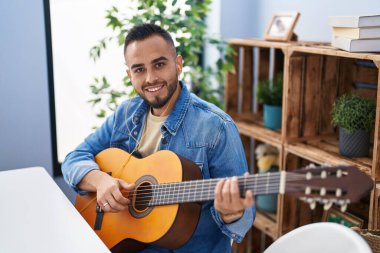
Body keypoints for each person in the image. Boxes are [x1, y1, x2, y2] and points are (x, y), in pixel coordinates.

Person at [62, 23, 255, 253]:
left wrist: (232, 212)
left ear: (179, 64)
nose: (150, 78)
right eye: (139, 69)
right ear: (129, 74)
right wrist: (100, 180)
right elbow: (73, 159)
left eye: (159, 64)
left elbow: (246, 216)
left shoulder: (216, 127)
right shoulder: (125, 115)